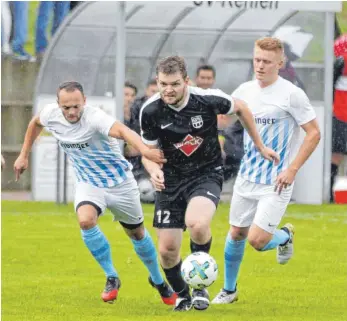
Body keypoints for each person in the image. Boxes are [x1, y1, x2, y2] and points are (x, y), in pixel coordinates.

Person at [13, 81, 177, 305]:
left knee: (137, 234)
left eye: (76, 106)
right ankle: (111, 276)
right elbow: (34, 123)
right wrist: (23, 156)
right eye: (66, 107)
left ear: (84, 102)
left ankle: (158, 280)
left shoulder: (94, 117)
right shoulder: (51, 114)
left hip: (120, 183)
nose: (71, 112)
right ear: (58, 104)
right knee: (86, 221)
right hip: (88, 183)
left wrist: (146, 151)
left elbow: (123, 131)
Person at [139, 56, 279, 312]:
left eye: (174, 84)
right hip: (169, 180)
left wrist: (259, 146)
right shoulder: (150, 110)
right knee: (168, 250)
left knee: (198, 222)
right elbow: (148, 153)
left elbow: (242, 108)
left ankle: (200, 287)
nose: (168, 90)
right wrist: (153, 171)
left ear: (187, 82)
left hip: (206, 173)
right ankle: (182, 294)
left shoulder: (208, 99)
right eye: (163, 84)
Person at [211, 37, 321, 304]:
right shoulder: (245, 90)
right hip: (247, 177)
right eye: (257, 59)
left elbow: (314, 133)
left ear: (280, 64)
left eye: (267, 62)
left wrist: (292, 170)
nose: (260, 66)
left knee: (257, 241)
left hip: (277, 181)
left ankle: (284, 236)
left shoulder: (292, 94)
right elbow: (223, 118)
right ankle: (229, 290)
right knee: (236, 233)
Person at [330, 34, 347, 202]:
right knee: (336, 154)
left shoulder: (340, 60)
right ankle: (329, 191)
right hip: (341, 114)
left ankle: (329, 192)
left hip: (340, 114)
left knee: (336, 154)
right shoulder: (341, 62)